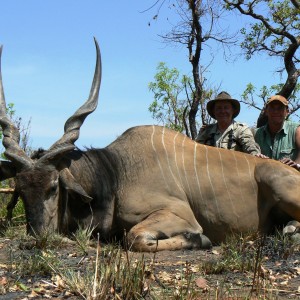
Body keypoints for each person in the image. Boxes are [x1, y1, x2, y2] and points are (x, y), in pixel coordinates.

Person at [196, 91, 261, 155]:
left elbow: (250, 145)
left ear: (233, 110)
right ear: (214, 111)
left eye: (226, 108)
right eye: (219, 108)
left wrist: (256, 154)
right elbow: (196, 149)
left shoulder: (241, 129)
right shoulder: (207, 131)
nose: (222, 111)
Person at [255, 95, 300, 171]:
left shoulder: (296, 130)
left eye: (280, 108)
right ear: (266, 111)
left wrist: (297, 165)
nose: (276, 112)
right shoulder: (257, 133)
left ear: (287, 112)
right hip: (264, 178)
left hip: (291, 177)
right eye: (272, 108)